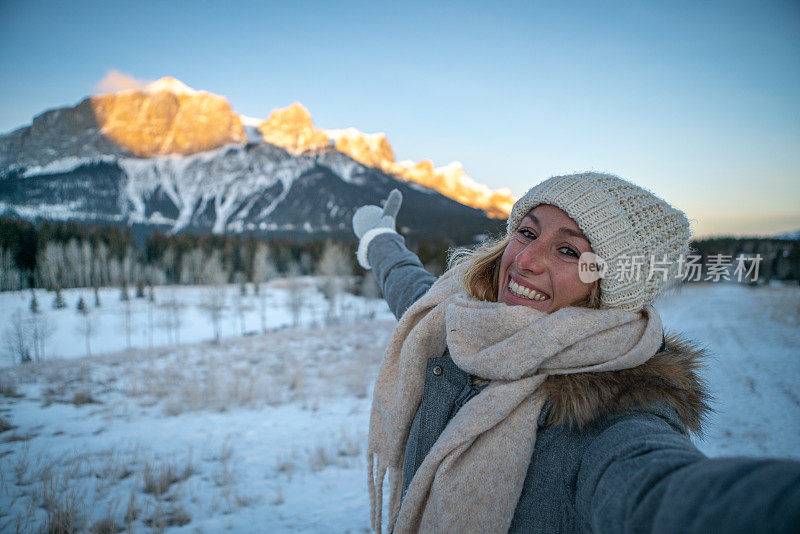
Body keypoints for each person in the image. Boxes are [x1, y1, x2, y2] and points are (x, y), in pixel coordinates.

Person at [351, 172, 800, 534]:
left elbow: (662, 493)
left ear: (609, 286)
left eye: (568, 250)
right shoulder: (456, 320)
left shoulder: (614, 415)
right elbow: (411, 289)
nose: (527, 259)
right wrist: (379, 239)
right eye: (527, 232)